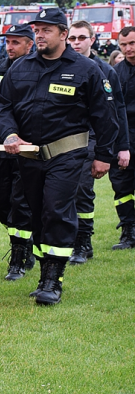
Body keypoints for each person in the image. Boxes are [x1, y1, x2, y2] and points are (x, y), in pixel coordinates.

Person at [0, 8, 118, 305]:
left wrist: (104, 155)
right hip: (29, 156)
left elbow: (105, 116)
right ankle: (43, 274)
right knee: (36, 214)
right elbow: (3, 106)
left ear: (63, 34)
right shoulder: (20, 68)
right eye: (37, 29)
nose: (39, 34)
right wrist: (10, 134)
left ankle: (54, 280)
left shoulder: (86, 69)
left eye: (46, 30)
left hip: (67, 154)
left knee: (56, 211)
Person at [66, 21, 128, 265]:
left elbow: (116, 110)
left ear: (93, 40)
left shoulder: (104, 70)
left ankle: (83, 242)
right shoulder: (57, 67)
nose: (76, 43)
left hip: (91, 138)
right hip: (61, 139)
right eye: (72, 38)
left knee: (82, 190)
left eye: (82, 37)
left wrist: (120, 147)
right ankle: (66, 240)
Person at [0, 24, 36, 281]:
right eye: (7, 42)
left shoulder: (38, 68)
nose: (9, 47)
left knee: (21, 203)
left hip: (25, 148)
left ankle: (19, 258)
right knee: (0, 205)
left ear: (30, 44)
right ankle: (26, 241)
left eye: (16, 42)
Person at [111, 26, 135, 250]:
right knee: (122, 187)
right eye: (124, 45)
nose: (128, 49)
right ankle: (128, 231)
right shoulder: (116, 72)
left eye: (133, 43)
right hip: (123, 139)